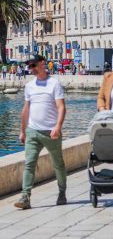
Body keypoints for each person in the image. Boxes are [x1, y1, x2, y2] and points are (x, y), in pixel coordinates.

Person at [15, 55, 66, 209]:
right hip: (33, 131)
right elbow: (26, 109)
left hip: (51, 132)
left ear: (43, 63)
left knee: (58, 164)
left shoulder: (54, 84)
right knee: (29, 164)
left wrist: (58, 126)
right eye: (30, 66)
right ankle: (25, 197)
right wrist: (22, 130)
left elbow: (61, 107)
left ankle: (62, 192)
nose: (31, 69)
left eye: (34, 65)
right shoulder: (29, 86)